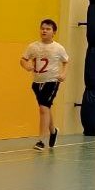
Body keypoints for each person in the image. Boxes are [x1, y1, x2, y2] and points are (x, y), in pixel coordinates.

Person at [20, 18, 69, 150]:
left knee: (43, 108)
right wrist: (26, 66)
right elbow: (23, 59)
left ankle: (41, 140)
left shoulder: (58, 48)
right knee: (45, 108)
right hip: (37, 82)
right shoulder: (33, 47)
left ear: (54, 32)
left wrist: (63, 74)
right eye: (42, 28)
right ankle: (53, 130)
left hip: (51, 81)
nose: (44, 31)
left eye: (48, 29)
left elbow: (66, 61)